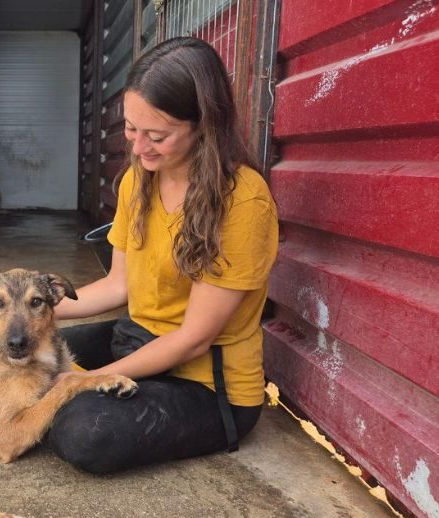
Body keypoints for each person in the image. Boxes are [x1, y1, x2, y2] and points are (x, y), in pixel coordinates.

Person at [47, 37, 279, 473]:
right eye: (131, 130)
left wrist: (88, 380)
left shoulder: (243, 202)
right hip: (138, 337)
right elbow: (119, 285)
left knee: (84, 429)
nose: (138, 148)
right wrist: (34, 313)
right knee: (17, 356)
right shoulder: (140, 180)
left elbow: (194, 338)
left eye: (157, 136)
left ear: (203, 126)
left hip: (205, 385)